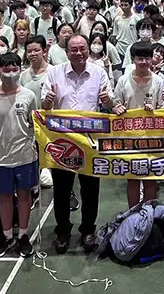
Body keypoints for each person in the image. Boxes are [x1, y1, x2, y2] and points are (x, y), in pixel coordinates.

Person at [41, 34, 116, 254]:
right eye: (74, 49)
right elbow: (45, 106)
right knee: (62, 189)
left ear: (88, 50)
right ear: (67, 52)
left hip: (90, 141)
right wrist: (46, 103)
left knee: (90, 188)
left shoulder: (99, 72)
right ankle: (62, 231)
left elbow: (108, 102)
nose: (79, 52)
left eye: (82, 48)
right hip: (62, 141)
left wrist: (110, 103)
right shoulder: (54, 73)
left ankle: (88, 230)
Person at [0, 52, 38, 258]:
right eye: (7, 69)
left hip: (25, 156)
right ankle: (7, 237)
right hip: (0, 158)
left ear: (20, 69)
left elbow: (34, 124)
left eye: (15, 68)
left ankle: (23, 236)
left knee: (24, 196)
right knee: (4, 198)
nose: (11, 73)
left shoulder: (29, 96)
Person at [112, 42, 163, 207]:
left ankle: (149, 213)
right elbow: (115, 104)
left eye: (147, 58)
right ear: (133, 59)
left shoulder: (158, 81)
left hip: (152, 138)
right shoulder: (123, 80)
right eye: (140, 58)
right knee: (133, 179)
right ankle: (132, 214)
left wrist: (154, 111)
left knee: (150, 180)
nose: (144, 62)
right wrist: (116, 108)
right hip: (129, 138)